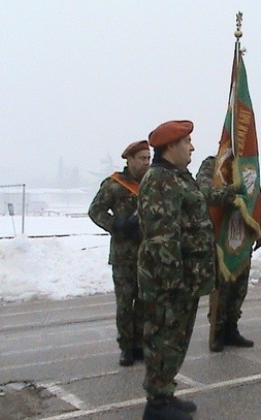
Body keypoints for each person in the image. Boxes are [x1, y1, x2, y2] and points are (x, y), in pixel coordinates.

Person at [138, 120, 213, 420]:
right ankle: (156, 405)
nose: (192, 147)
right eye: (187, 142)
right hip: (169, 281)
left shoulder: (178, 176)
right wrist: (172, 283)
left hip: (185, 278)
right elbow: (162, 236)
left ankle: (165, 393)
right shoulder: (160, 179)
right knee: (163, 340)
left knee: (176, 339)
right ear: (170, 147)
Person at [88, 140, 150, 367]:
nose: (146, 162)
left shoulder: (152, 184)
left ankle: (140, 344)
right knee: (125, 303)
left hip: (147, 254)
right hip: (123, 256)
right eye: (142, 158)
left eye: (148, 158)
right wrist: (115, 224)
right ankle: (126, 347)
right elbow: (95, 211)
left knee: (145, 302)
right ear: (130, 160)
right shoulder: (115, 185)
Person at [195, 155, 261, 352]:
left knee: (239, 288)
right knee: (222, 289)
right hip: (219, 239)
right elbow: (206, 193)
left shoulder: (247, 168)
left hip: (241, 238)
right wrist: (234, 190)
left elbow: (257, 199)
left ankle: (231, 328)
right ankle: (217, 331)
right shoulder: (212, 164)